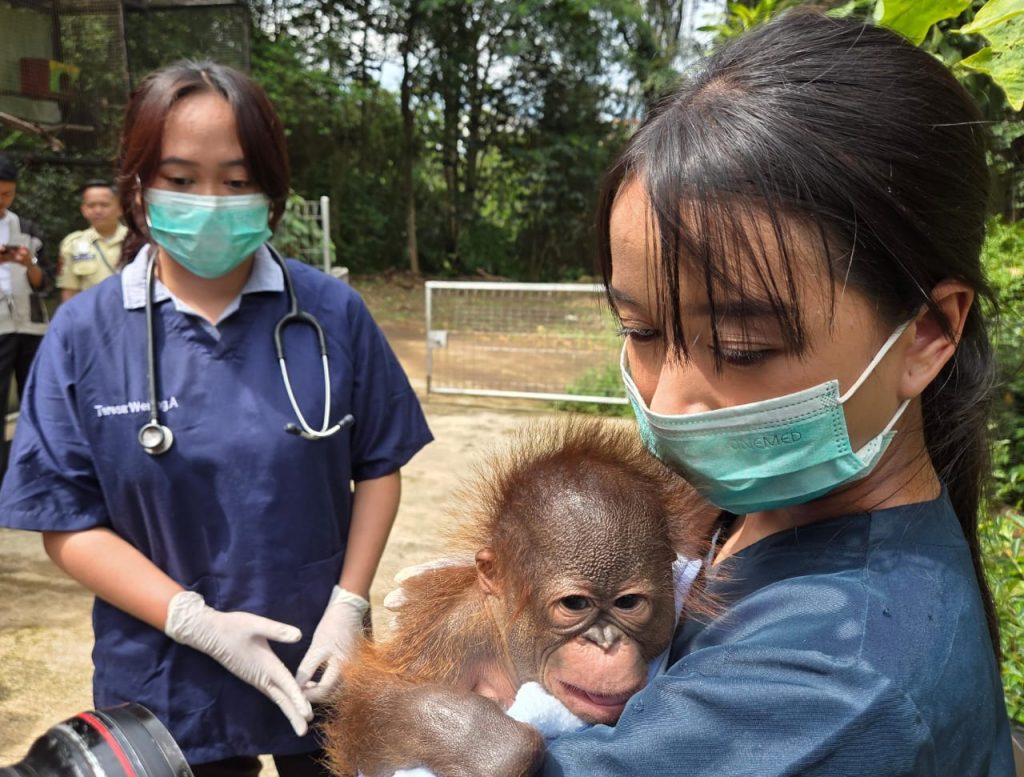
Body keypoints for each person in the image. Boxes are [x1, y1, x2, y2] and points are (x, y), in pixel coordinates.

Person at [390, 11, 1015, 776]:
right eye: (642, 330)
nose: (673, 401)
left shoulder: (840, 687)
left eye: (744, 347)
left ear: (925, 334)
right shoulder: (747, 518)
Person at [0, 61, 433, 777]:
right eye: (179, 176)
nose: (209, 201)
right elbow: (66, 521)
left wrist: (349, 606)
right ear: (138, 185)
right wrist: (195, 621)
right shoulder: (84, 333)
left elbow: (378, 465)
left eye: (236, 182)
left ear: (271, 189)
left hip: (319, 657)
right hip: (164, 677)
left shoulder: (331, 314)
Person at [0, 153, 49, 481]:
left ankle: (35, 468)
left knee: (37, 397)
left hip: (31, 325)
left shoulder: (28, 229)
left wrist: (27, 263)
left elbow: (44, 282)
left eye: (7, 193)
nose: (1, 200)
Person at [57, 179, 126, 302]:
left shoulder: (136, 240)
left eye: (104, 205)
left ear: (120, 208)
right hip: (90, 316)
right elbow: (69, 289)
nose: (98, 211)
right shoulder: (73, 244)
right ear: (83, 210)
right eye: (91, 205)